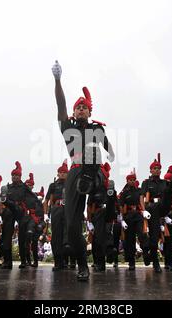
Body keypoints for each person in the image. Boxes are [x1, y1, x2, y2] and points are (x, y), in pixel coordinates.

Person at [52, 60, 115, 281]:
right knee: (71, 226)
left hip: (95, 171)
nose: (80, 109)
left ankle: (99, 192)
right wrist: (58, 80)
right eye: (77, 107)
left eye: (84, 107)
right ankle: (82, 265)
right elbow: (60, 105)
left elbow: (106, 146)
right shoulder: (67, 127)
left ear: (89, 111)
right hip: (76, 173)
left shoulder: (96, 128)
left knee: (92, 156)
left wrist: (111, 153)